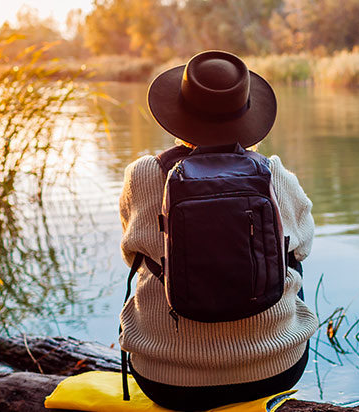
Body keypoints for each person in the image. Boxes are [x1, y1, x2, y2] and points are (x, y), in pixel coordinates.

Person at [118, 50, 318, 411]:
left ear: (178, 115)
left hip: (167, 381)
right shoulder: (274, 174)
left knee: (150, 265)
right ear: (246, 115)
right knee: (291, 258)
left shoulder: (143, 175)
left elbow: (131, 252)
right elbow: (302, 247)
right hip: (276, 369)